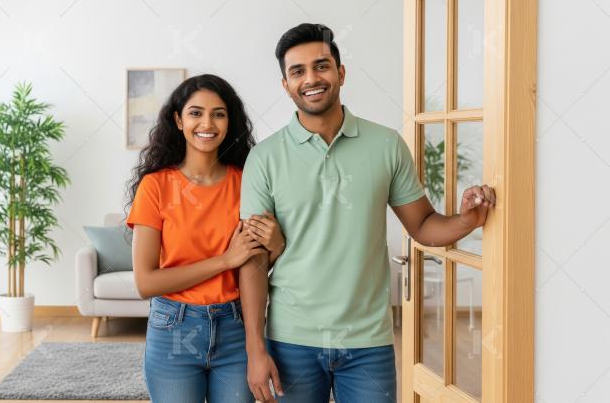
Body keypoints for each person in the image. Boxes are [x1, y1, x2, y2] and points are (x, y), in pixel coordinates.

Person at [238, 23, 496, 403]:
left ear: (340, 73)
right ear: (286, 84)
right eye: (298, 71)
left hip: (367, 343)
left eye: (321, 66)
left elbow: (423, 225)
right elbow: (253, 260)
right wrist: (255, 349)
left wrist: (466, 221)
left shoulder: (386, 144)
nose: (311, 78)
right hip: (291, 339)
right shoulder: (264, 158)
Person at [125, 74, 286, 403]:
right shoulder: (155, 187)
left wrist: (278, 247)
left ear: (230, 121)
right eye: (196, 112)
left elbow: (254, 264)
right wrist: (224, 260)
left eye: (219, 113)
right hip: (173, 329)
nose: (207, 123)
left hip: (236, 327)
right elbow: (146, 282)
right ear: (178, 120)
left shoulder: (247, 182)